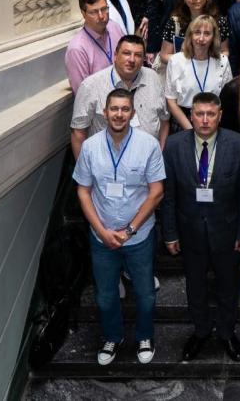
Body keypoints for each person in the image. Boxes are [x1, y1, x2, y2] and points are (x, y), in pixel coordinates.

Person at [73, 88, 166, 366]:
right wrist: (102, 231)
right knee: (105, 296)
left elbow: (157, 192)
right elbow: (83, 191)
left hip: (139, 236)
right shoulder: (90, 147)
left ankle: (145, 336)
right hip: (101, 237)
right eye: (114, 108)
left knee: (145, 294)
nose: (119, 114)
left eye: (125, 109)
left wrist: (130, 230)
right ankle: (112, 337)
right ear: (105, 112)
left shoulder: (148, 145)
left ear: (133, 113)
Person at [161, 91, 240, 362]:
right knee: (195, 286)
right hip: (189, 231)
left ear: (220, 116)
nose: (204, 120)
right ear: (191, 116)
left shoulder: (238, 145)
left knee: (228, 285)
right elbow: (168, 195)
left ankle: (226, 332)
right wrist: (170, 233)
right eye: (199, 114)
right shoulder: (174, 146)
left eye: (210, 114)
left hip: (227, 231)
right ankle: (200, 331)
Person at [71, 35, 169, 158]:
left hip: (147, 162)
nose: (132, 59)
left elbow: (164, 120)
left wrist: (159, 155)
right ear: (115, 55)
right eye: (126, 53)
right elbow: (78, 132)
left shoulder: (153, 78)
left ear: (144, 58)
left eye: (138, 55)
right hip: (106, 163)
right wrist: (85, 168)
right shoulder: (91, 86)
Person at [165, 15, 233, 131]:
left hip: (213, 121)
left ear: (214, 37)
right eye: (197, 32)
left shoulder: (222, 61)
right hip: (183, 121)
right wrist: (190, 130)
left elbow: (227, 99)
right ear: (190, 35)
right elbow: (171, 101)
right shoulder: (176, 61)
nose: (201, 38)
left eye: (207, 33)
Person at [157, 0, 229, 66]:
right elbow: (164, 55)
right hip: (183, 71)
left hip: (211, 69)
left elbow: (225, 52)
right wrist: (190, 61)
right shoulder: (175, 22)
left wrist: (205, 62)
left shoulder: (219, 21)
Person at [66, 0, 125, 93]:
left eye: (104, 9)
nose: (101, 16)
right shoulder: (77, 49)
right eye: (94, 12)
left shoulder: (114, 27)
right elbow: (84, 94)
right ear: (83, 14)